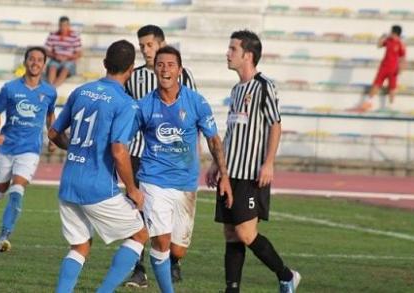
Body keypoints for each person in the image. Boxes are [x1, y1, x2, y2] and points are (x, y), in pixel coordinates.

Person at [48, 39, 149, 292]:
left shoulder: (81, 91)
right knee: (140, 234)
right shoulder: (126, 103)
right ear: (131, 70)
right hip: (97, 186)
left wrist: (75, 148)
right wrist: (133, 189)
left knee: (80, 246)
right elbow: (118, 150)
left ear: (105, 64)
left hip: (69, 182)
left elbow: (53, 133)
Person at [206, 30, 300, 293]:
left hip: (250, 174)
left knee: (246, 233)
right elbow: (233, 130)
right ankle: (232, 289)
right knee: (230, 233)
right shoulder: (236, 90)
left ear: (247, 55)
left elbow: (276, 125)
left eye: (232, 49)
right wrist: (217, 163)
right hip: (230, 173)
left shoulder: (264, 86)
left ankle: (286, 275)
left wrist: (269, 163)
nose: (228, 53)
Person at [135, 46, 232, 293]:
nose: (164, 69)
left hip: (186, 184)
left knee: (177, 250)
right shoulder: (144, 105)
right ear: (154, 68)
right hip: (153, 179)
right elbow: (121, 141)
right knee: (162, 241)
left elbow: (213, 140)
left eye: (170, 64)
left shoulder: (196, 102)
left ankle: (167, 263)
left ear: (179, 70)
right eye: (160, 64)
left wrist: (225, 175)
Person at [124, 24, 198, 288]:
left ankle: (172, 262)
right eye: (141, 46)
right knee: (137, 212)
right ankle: (138, 268)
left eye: (150, 45)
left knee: (172, 237)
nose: (145, 50)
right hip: (137, 154)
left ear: (162, 44)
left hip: (171, 159)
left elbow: (190, 114)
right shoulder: (133, 77)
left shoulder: (183, 75)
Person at [0, 47, 57, 252]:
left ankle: (4, 235)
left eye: (39, 60)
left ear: (44, 65)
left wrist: (52, 137)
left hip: (30, 149)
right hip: (7, 147)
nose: (35, 63)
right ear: (25, 62)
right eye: (31, 59)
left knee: (17, 189)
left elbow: (50, 115)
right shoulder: (10, 88)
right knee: (2, 189)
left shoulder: (50, 92)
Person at [359, 25, 406, 112]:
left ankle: (391, 106)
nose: (390, 33)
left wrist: (401, 69)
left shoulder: (400, 44)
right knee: (376, 84)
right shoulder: (388, 40)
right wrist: (382, 37)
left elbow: (403, 58)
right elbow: (379, 45)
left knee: (392, 88)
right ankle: (368, 103)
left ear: (394, 33)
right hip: (383, 67)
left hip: (393, 69)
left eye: (391, 32)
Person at [45, 16, 82, 87]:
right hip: (56, 59)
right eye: (61, 25)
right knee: (52, 66)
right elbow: (46, 51)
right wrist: (55, 56)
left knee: (66, 68)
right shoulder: (53, 35)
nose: (63, 27)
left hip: (69, 61)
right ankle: (51, 89)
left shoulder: (75, 36)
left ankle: (52, 89)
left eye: (65, 25)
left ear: (68, 26)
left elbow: (79, 53)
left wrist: (67, 57)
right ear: (59, 25)